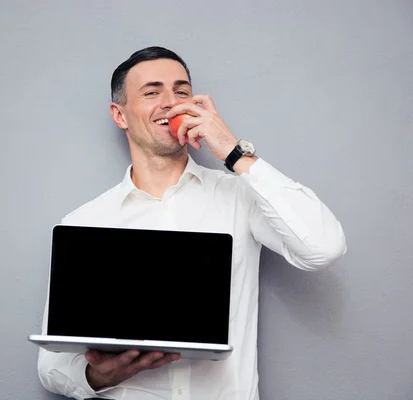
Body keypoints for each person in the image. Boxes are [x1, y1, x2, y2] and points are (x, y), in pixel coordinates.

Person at [36, 46, 347, 400]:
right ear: (119, 115)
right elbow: (50, 367)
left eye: (181, 91)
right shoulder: (85, 222)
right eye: (152, 92)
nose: (171, 102)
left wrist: (233, 150)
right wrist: (97, 374)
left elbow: (323, 248)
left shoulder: (240, 197)